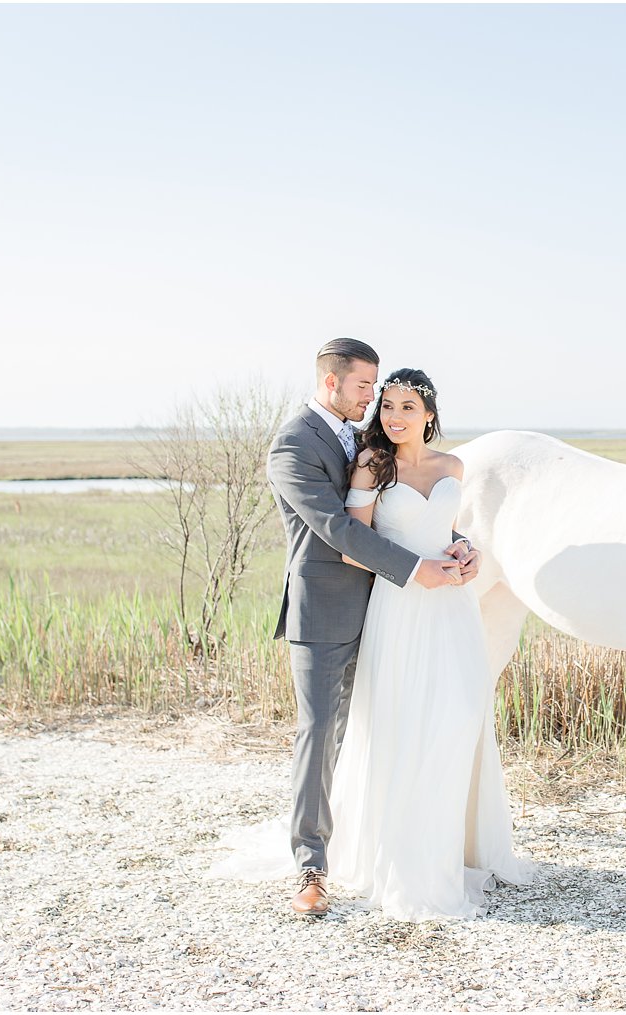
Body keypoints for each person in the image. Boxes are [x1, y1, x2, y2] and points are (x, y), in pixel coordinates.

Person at [215, 339, 475, 917]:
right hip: (328, 609)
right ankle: (310, 864)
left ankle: (391, 844)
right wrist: (416, 571)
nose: (376, 399)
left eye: (381, 390)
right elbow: (336, 528)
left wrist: (459, 546)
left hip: (390, 609)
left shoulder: (365, 440)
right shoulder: (291, 444)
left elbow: (403, 512)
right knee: (322, 732)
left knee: (396, 728)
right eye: (366, 387)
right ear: (332, 382)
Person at [327, 367, 535, 919]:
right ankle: (410, 860)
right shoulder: (372, 465)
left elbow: (446, 530)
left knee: (461, 714)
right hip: (400, 607)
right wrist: (417, 570)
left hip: (453, 610)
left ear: (429, 416)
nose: (394, 417)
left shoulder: (453, 467)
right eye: (387, 406)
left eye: (407, 408)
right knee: (402, 723)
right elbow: (355, 546)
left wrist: (469, 552)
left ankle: (457, 847)